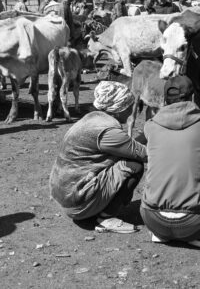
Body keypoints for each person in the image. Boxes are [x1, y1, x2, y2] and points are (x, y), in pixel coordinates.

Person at [140, 76, 200, 248]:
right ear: (192, 98)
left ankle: (162, 234)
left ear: (165, 99)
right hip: (193, 224)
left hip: (152, 220)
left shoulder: (150, 126)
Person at [49, 81, 147, 233]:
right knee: (134, 165)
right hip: (77, 203)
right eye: (130, 105)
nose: (132, 111)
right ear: (119, 108)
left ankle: (97, 207)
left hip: (66, 195)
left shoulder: (92, 119)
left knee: (123, 160)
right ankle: (106, 219)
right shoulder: (107, 132)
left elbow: (129, 145)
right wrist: (155, 128)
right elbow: (144, 153)